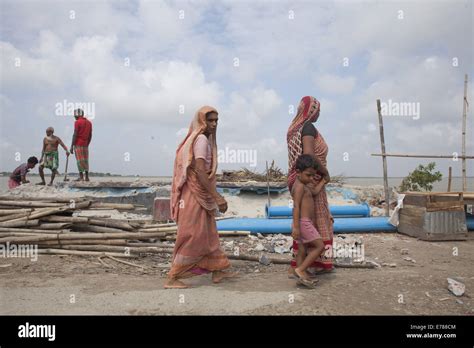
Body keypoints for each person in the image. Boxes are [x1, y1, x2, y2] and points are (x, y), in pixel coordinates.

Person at [165, 106, 237, 289]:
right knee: (192, 235)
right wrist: (217, 196)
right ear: (201, 121)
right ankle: (173, 277)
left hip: (196, 195)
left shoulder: (195, 139)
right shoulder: (201, 140)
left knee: (208, 233)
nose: (213, 124)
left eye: (216, 121)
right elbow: (199, 170)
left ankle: (218, 270)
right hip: (195, 196)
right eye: (210, 120)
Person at [287, 96, 334, 275]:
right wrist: (324, 173)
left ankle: (299, 266)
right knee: (314, 221)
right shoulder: (308, 127)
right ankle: (310, 265)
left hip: (304, 178)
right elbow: (310, 155)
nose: (319, 112)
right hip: (311, 177)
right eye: (317, 109)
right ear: (310, 111)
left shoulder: (294, 129)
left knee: (306, 222)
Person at [290, 154, 328, 288]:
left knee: (302, 249)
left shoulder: (304, 184)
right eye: (308, 175)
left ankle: (301, 273)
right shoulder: (299, 187)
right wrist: (296, 227)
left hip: (304, 223)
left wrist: (323, 181)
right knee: (320, 246)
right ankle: (300, 270)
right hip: (303, 223)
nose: (311, 178)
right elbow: (296, 206)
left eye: (313, 176)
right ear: (298, 172)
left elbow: (315, 192)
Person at [70, 108, 92, 181]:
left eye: (74, 115)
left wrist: (71, 146)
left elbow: (75, 134)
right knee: (85, 160)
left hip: (78, 144)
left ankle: (81, 177)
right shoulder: (89, 123)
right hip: (85, 144)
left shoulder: (77, 122)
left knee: (79, 160)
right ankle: (87, 177)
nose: (74, 116)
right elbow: (90, 135)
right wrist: (87, 143)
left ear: (77, 115)